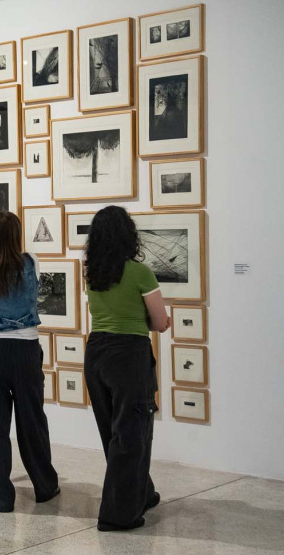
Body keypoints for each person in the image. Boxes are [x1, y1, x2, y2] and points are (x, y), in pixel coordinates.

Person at [0, 212, 59, 512]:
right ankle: (45, 485)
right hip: (27, 352)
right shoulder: (31, 261)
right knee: (33, 421)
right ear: (16, 235)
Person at [83, 206, 171, 532]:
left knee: (114, 433)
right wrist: (153, 320)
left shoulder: (91, 272)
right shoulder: (140, 273)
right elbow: (160, 321)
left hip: (97, 353)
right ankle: (117, 515)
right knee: (132, 435)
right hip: (129, 355)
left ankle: (141, 492)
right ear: (127, 235)